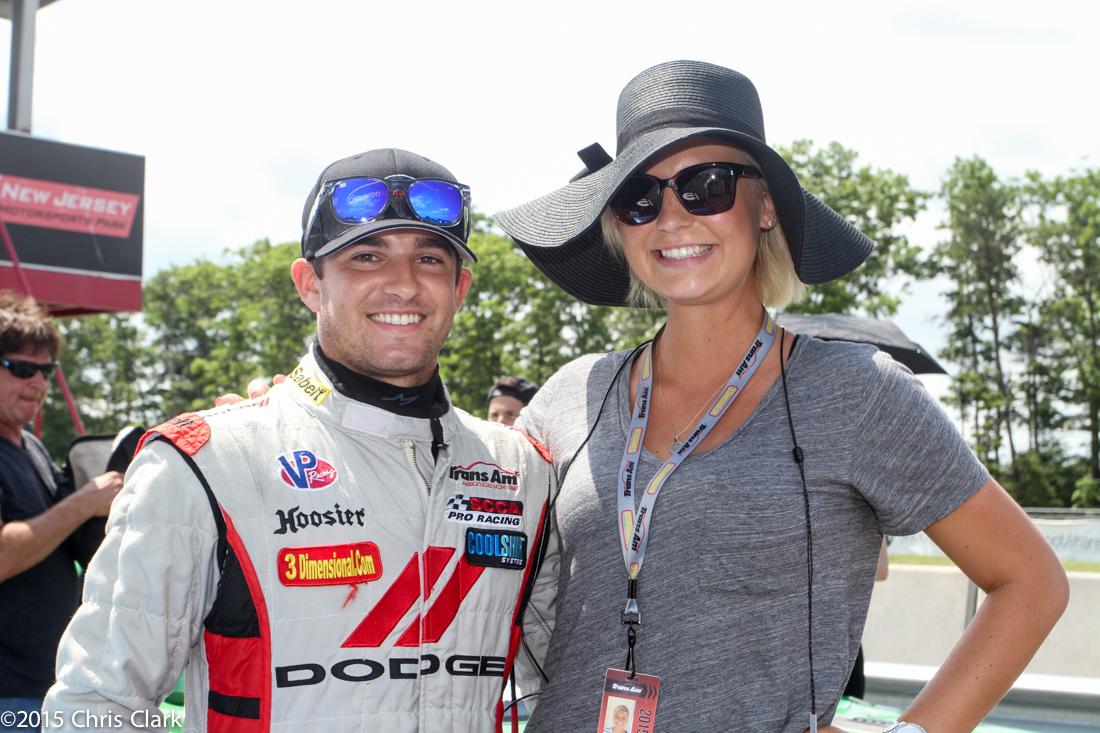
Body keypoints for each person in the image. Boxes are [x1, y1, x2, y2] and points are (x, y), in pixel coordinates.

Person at [496, 61, 1068, 733]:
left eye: (707, 186)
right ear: (618, 226)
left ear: (766, 206)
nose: (672, 217)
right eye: (639, 198)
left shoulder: (857, 392)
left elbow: (1032, 581)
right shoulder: (571, 397)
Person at [44, 149, 558, 733]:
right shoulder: (204, 460)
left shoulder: (524, 471)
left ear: (459, 287)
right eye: (367, 256)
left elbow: (562, 681)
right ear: (310, 284)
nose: (404, 283)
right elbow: (94, 705)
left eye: (429, 259)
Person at [0, 291, 123, 729]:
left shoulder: (30, 445)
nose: (38, 383)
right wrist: (84, 502)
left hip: (51, 684)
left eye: (46, 371)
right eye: (21, 368)